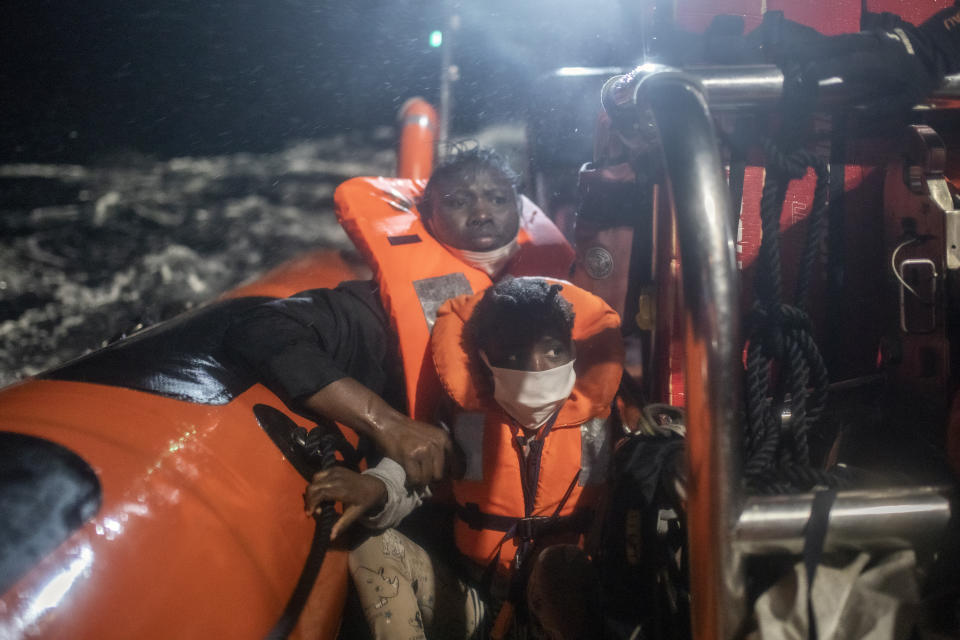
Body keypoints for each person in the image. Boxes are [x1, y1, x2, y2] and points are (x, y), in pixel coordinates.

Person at [225, 147, 573, 486]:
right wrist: (384, 422)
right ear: (427, 213)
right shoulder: (375, 309)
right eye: (458, 201)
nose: (482, 212)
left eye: (497, 199)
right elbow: (262, 327)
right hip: (431, 501)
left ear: (519, 207)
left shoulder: (568, 298)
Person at [304, 277, 624, 639]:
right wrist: (376, 488)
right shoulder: (466, 421)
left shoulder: (612, 419)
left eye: (553, 351)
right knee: (373, 548)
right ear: (485, 359)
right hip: (480, 602)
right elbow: (420, 469)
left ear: (574, 350)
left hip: (566, 611)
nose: (536, 367)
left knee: (560, 568)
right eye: (514, 355)